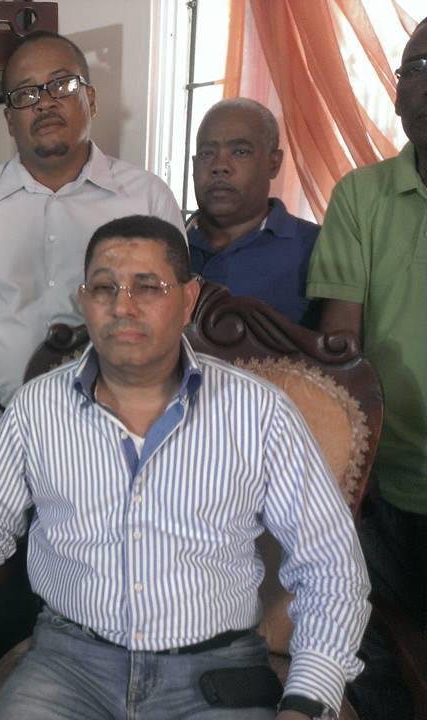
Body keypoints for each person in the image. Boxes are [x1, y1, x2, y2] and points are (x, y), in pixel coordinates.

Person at [0, 215, 370, 720]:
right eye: (104, 288)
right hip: (68, 667)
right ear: (83, 301)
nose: (123, 306)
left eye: (147, 287)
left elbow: (330, 564)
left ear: (188, 299)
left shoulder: (259, 412)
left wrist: (306, 701)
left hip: (214, 670)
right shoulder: (38, 407)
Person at [0, 31, 184, 456]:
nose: (44, 103)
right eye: (26, 93)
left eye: (61, 85)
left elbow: (172, 320)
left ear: (91, 99)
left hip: (128, 437)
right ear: (9, 118)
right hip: (4, 430)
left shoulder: (147, 198)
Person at [306, 17, 427, 720]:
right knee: (365, 644)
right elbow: (340, 350)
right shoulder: (361, 195)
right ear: (397, 92)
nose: (426, 83)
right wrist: (354, 467)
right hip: (383, 474)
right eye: (416, 68)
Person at [188, 98, 319, 326]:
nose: (220, 166)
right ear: (193, 164)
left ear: (273, 163)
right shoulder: (164, 244)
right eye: (207, 153)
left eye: (240, 152)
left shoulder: (316, 249)